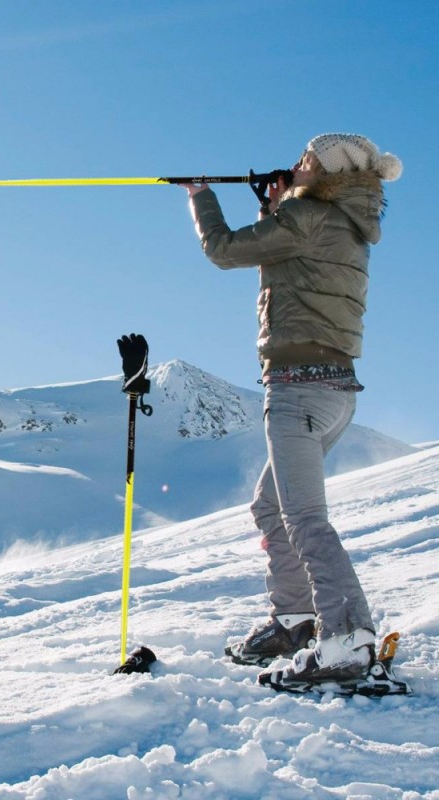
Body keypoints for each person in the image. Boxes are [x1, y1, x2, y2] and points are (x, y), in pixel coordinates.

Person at [182, 133, 402, 686]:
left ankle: (348, 638)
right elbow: (287, 268)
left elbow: (224, 249)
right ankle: (297, 619)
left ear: (327, 172)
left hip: (297, 390)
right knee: (270, 506)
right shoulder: (341, 222)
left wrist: (200, 194)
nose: (298, 162)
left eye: (309, 159)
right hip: (330, 392)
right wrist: (274, 208)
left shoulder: (308, 216)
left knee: (304, 518)